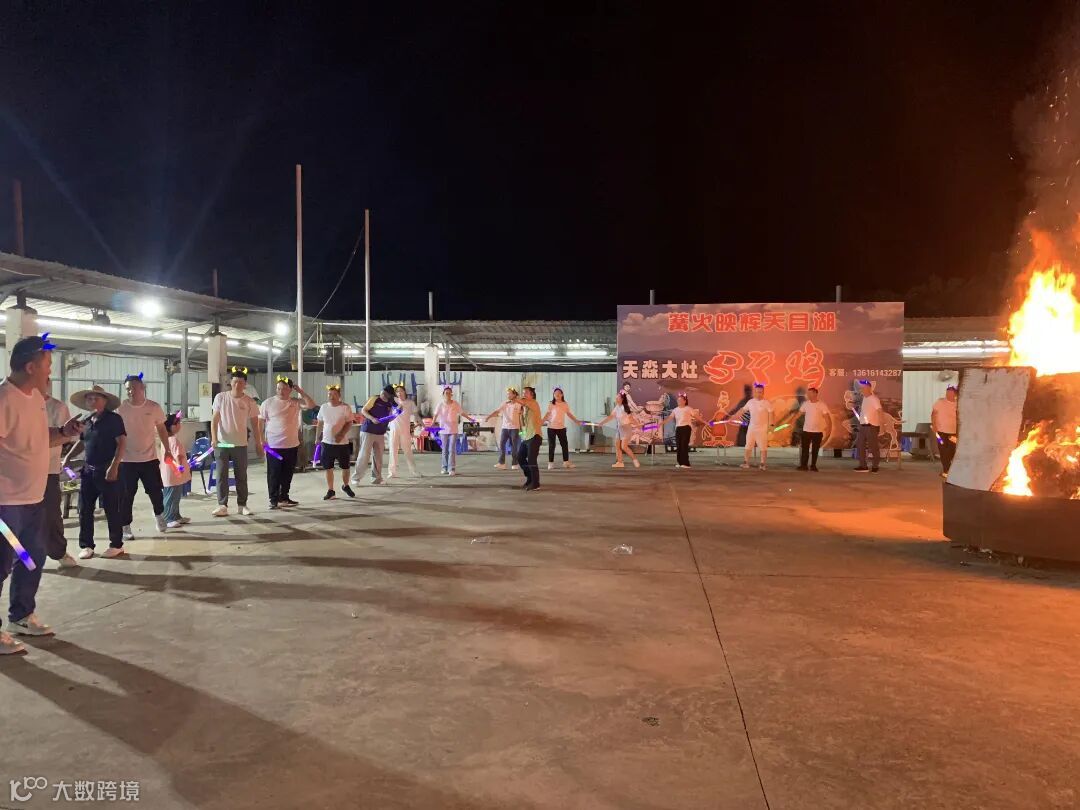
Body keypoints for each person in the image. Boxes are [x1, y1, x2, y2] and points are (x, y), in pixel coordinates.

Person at [0, 335, 84, 653]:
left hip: (34, 500)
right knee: (1, 564)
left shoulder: (35, 399)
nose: (50, 370)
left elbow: (38, 437)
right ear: (30, 366)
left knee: (30, 559)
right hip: (7, 505)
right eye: (47, 364)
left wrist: (63, 433)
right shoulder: (4, 399)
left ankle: (21, 616)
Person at [69, 385, 127, 559]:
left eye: (96, 398)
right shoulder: (86, 421)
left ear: (105, 401)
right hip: (88, 471)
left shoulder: (114, 419)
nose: (92, 401)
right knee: (85, 509)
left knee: (112, 508)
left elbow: (122, 443)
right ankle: (87, 545)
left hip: (107, 470)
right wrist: (68, 457)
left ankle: (116, 544)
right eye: (89, 398)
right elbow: (82, 442)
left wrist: (114, 466)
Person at [116, 374, 173, 539]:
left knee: (155, 492)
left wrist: (167, 449)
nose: (130, 392)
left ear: (142, 388)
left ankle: (159, 515)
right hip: (126, 460)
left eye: (133, 388)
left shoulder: (154, 407)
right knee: (126, 495)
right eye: (128, 389)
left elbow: (161, 429)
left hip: (149, 458)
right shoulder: (120, 408)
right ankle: (125, 526)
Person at [210, 367, 263, 517]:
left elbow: (255, 425)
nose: (237, 385)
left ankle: (242, 505)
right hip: (223, 443)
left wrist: (258, 444)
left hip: (240, 444)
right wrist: (214, 438)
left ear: (245, 384)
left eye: (240, 382)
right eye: (235, 382)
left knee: (241, 475)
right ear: (230, 383)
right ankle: (222, 505)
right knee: (221, 475)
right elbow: (214, 420)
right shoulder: (221, 397)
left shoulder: (249, 401)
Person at [260, 376, 315, 508]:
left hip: (291, 444)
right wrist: (261, 440)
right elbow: (260, 421)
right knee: (274, 473)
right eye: (279, 388)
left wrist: (300, 391)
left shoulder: (295, 402)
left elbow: (311, 405)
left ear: (290, 390)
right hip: (273, 445)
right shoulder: (268, 403)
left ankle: (284, 497)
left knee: (287, 473)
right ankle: (273, 499)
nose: (281, 391)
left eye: (284, 389)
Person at [42, 381, 77, 569]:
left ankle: (58, 551)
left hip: (47, 471)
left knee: (51, 516)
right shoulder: (10, 401)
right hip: (14, 474)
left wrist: (60, 433)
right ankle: (21, 558)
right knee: (11, 520)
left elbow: (66, 437)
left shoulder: (57, 407)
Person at [316, 384, 356, 499]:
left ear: (339, 396)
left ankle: (346, 485)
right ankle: (331, 490)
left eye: (334, 394)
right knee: (328, 467)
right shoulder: (324, 407)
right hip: (327, 443)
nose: (331, 396)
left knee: (345, 467)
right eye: (329, 394)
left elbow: (349, 422)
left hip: (342, 443)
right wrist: (317, 438)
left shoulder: (345, 407)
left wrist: (341, 434)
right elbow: (320, 423)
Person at [353, 385, 397, 486]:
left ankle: (376, 478)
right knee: (364, 456)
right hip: (368, 430)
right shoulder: (374, 399)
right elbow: (364, 410)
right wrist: (372, 418)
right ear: (384, 392)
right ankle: (356, 478)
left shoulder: (390, 404)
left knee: (378, 457)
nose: (389, 397)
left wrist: (395, 415)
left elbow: (389, 418)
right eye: (388, 394)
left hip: (380, 432)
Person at [729, 383, 773, 470]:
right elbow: (742, 410)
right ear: (755, 392)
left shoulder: (766, 403)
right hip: (752, 428)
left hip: (762, 428)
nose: (759, 394)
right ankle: (746, 463)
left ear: (763, 392)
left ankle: (763, 464)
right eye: (757, 392)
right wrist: (734, 416)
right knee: (748, 445)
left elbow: (771, 414)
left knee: (763, 447)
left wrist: (771, 425)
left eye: (760, 392)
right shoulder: (750, 402)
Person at [159, 413, 191, 528]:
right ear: (170, 426)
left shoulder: (165, 440)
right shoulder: (173, 440)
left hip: (170, 474)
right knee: (171, 497)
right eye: (177, 423)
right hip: (174, 474)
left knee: (174, 496)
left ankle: (176, 516)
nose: (179, 425)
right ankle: (168, 519)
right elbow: (178, 457)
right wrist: (180, 468)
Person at [659, 393, 704, 468]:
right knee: (679, 446)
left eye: (680, 400)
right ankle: (680, 462)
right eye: (678, 400)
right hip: (678, 428)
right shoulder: (675, 410)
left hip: (686, 428)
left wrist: (705, 422)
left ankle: (686, 463)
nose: (678, 401)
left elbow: (697, 417)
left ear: (684, 401)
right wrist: (661, 423)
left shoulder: (688, 409)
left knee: (684, 445)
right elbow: (670, 418)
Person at [597, 393, 640, 469]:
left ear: (622, 399)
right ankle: (620, 462)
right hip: (619, 429)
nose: (616, 399)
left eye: (618, 398)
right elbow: (611, 417)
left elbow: (631, 418)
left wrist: (638, 424)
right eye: (616, 397)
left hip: (626, 429)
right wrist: (602, 423)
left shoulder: (625, 407)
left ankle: (634, 459)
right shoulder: (617, 407)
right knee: (617, 446)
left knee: (624, 447)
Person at [543, 387, 582, 470]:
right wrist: (542, 421)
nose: (557, 395)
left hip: (561, 427)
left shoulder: (565, 404)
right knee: (552, 445)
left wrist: (576, 421)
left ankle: (566, 462)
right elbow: (547, 413)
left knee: (564, 445)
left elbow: (569, 414)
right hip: (551, 427)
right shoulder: (551, 404)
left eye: (558, 393)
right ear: (553, 395)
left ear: (562, 394)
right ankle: (550, 463)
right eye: (555, 393)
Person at [388, 385, 422, 479]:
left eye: (401, 391)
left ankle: (414, 471)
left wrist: (423, 424)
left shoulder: (410, 403)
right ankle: (392, 472)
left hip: (405, 430)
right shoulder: (394, 401)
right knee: (393, 451)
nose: (399, 393)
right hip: (394, 429)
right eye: (397, 391)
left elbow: (416, 415)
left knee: (408, 451)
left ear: (405, 392)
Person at [486, 388, 522, 470]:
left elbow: (521, 417)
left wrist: (522, 430)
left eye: (510, 393)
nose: (508, 395)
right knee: (502, 444)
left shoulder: (519, 404)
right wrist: (489, 417)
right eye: (507, 394)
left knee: (514, 446)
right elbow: (497, 411)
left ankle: (515, 463)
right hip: (505, 428)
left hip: (515, 428)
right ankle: (502, 463)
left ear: (514, 394)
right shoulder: (505, 403)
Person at [797, 387, 832, 472]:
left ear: (815, 394)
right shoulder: (806, 404)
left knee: (815, 449)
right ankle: (804, 465)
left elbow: (827, 418)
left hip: (817, 431)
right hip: (806, 430)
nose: (808, 395)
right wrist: (792, 421)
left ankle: (813, 466)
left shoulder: (822, 405)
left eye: (810, 393)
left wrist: (829, 428)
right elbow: (799, 414)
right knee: (805, 449)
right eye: (808, 393)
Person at [432, 386, 464, 475]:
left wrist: (470, 418)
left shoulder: (455, 404)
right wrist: (432, 423)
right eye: (446, 393)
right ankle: (444, 467)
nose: (448, 394)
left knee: (452, 449)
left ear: (451, 394)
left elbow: (462, 412)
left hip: (453, 430)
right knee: (444, 450)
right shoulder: (440, 404)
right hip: (443, 430)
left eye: (450, 393)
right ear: (443, 394)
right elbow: (435, 414)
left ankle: (452, 468)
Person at [517, 386, 544, 490]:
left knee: (532, 460)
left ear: (532, 395)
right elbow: (522, 424)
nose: (523, 394)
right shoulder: (525, 407)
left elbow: (521, 401)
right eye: (523, 392)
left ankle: (536, 483)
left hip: (535, 436)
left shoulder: (533, 403)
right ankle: (530, 478)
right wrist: (521, 433)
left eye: (526, 393)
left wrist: (514, 397)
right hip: (526, 437)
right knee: (520, 457)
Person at [854, 379, 883, 473]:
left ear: (869, 388)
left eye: (864, 387)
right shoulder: (865, 399)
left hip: (872, 426)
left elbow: (880, 411)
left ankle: (875, 466)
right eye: (861, 388)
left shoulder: (874, 399)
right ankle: (863, 466)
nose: (862, 389)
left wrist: (882, 426)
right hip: (863, 426)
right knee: (860, 446)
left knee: (873, 447)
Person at [931, 385, 959, 478]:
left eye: (950, 393)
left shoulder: (958, 404)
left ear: (955, 394)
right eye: (947, 393)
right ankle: (946, 470)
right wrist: (934, 425)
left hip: (953, 432)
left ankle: (949, 468)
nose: (948, 395)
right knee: (942, 449)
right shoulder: (940, 402)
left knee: (952, 450)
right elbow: (933, 414)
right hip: (940, 432)